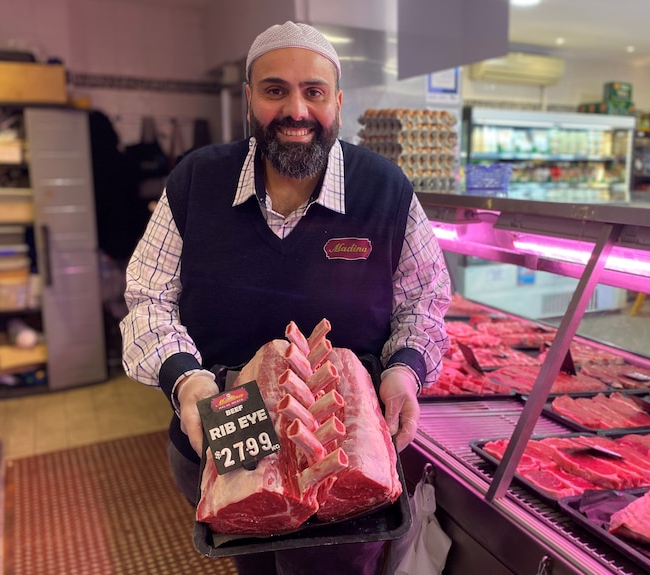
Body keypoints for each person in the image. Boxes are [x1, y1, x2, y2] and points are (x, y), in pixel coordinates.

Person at [119, 21, 451, 575]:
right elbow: (147, 297)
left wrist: (406, 371)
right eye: (275, 90)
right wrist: (187, 378)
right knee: (253, 559)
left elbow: (425, 301)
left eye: (313, 92)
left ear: (338, 103)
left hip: (343, 440)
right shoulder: (196, 180)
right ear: (250, 98)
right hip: (221, 426)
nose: (296, 110)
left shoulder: (386, 189)